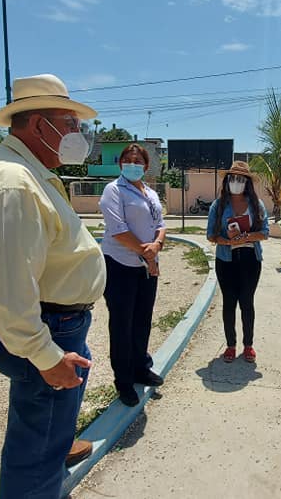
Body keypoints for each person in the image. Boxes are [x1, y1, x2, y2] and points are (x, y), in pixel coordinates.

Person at [0, 74, 105, 497]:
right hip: (50, 327)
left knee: (48, 425)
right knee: (36, 446)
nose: (78, 134)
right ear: (40, 125)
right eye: (71, 123)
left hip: (58, 322)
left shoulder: (25, 172)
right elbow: (7, 287)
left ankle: (57, 444)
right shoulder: (13, 183)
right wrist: (46, 356)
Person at [100, 143, 167, 407]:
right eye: (128, 159)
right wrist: (146, 253)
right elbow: (118, 229)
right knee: (122, 324)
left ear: (146, 166)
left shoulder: (150, 192)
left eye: (138, 161)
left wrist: (157, 245)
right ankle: (124, 380)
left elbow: (160, 224)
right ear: (121, 164)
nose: (133, 164)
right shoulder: (113, 190)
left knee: (142, 320)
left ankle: (141, 368)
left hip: (147, 267)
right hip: (120, 265)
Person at [206, 161, 270, 363]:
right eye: (233, 178)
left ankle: (248, 345)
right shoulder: (218, 205)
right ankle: (231, 345)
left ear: (247, 182)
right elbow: (211, 235)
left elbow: (265, 232)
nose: (236, 182)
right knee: (229, 302)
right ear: (227, 181)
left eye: (241, 179)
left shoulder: (256, 205)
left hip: (251, 260)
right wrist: (227, 240)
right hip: (226, 260)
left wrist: (246, 237)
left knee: (247, 302)